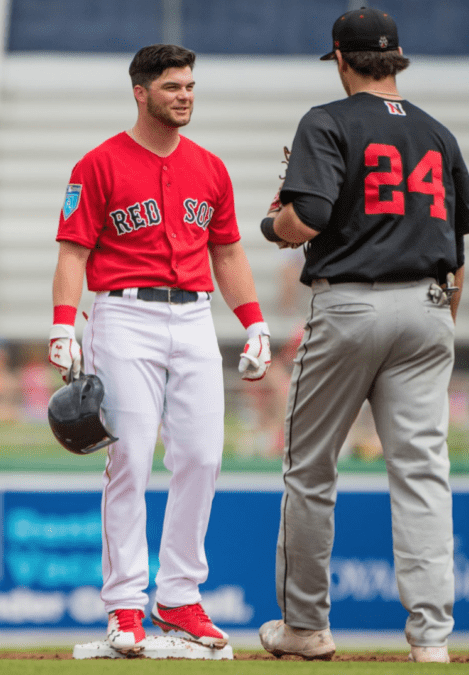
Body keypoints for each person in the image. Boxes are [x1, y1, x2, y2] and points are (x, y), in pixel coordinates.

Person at [255, 8, 469, 663]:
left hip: (351, 304)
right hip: (432, 303)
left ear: (341, 57)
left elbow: (311, 215)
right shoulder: (438, 134)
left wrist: (277, 222)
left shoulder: (325, 121)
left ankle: (305, 624)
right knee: (421, 470)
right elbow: (459, 246)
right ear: (397, 59)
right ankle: (432, 637)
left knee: (309, 469)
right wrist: (442, 324)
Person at [48, 44, 271, 656]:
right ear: (140, 92)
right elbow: (73, 250)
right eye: (173, 86)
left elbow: (226, 250)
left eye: (191, 85)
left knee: (201, 456)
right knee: (131, 461)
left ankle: (178, 594)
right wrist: (63, 325)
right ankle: (125, 606)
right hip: (123, 313)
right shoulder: (99, 164)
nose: (185, 95)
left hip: (195, 315)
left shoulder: (210, 167)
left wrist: (253, 322)